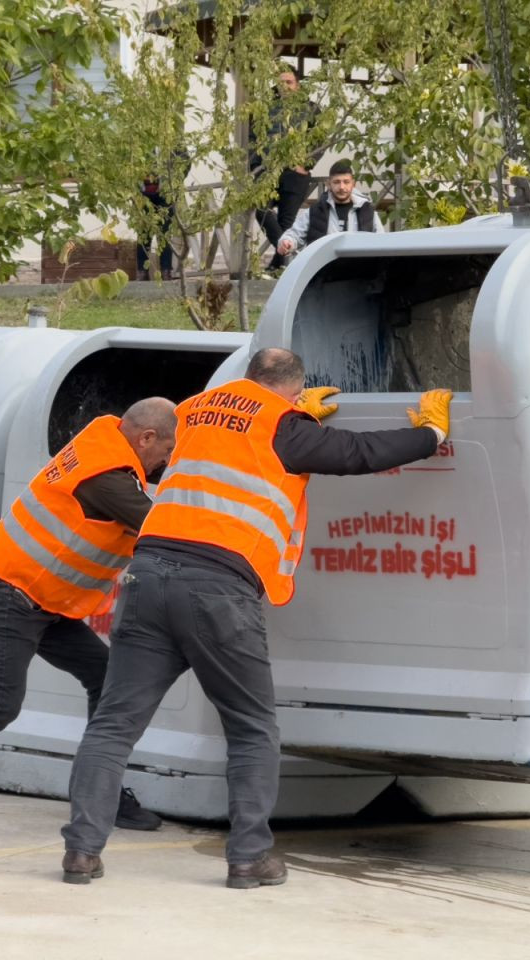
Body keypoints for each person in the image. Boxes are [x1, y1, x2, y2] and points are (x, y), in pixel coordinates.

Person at [59, 348, 451, 889]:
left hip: (147, 575)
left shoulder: (193, 410)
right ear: (292, 390)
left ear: (250, 380)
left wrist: (298, 418)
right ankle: (249, 858)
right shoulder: (282, 423)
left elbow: (237, 445)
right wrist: (430, 435)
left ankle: (81, 852)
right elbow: (357, 452)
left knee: (113, 724)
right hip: (218, 586)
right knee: (250, 728)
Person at [0, 399, 178, 840]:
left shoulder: (103, 447)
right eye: (166, 452)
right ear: (146, 438)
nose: (166, 462)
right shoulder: (107, 476)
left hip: (44, 605)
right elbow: (165, 527)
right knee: (0, 704)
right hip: (10, 598)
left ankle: (101, 792)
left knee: (105, 678)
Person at [252, 66, 315, 272]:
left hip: (295, 173)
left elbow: (320, 138)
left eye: (289, 82)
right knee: (261, 210)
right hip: (267, 170)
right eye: (281, 82)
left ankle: (278, 265)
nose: (284, 87)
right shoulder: (264, 109)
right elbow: (251, 138)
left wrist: (306, 164)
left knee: (286, 220)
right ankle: (286, 257)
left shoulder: (311, 109)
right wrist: (255, 165)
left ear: (297, 85)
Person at [276, 158, 384, 259]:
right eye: (336, 182)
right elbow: (294, 235)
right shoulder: (314, 211)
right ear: (328, 184)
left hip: (362, 274)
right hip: (323, 274)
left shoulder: (368, 211)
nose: (342, 187)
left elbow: (382, 242)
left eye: (346, 182)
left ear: (353, 184)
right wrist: (286, 243)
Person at [136, 175, 175, 282]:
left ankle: (166, 272)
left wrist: (174, 180)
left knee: (164, 235)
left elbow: (184, 159)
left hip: (165, 195)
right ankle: (142, 273)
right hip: (142, 195)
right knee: (143, 235)